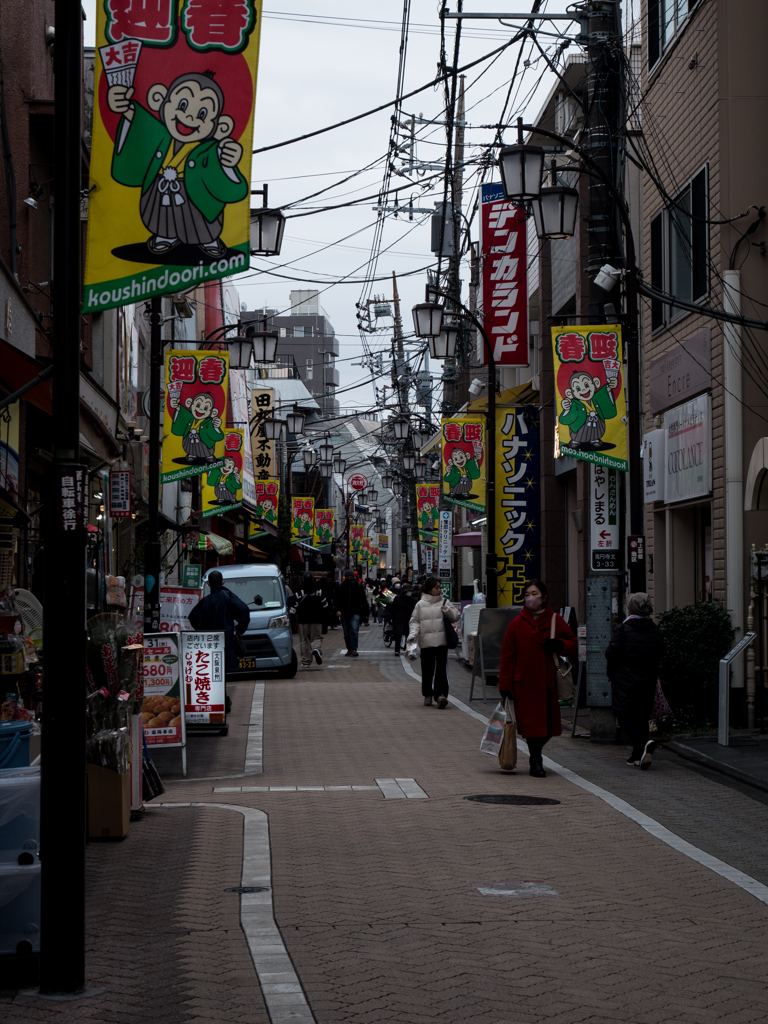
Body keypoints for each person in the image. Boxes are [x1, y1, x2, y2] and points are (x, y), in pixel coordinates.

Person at [498, 579, 577, 777]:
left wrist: (559, 645)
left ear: (544, 598)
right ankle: (536, 760)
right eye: (527, 594)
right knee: (531, 725)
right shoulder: (517, 623)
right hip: (524, 683)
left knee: (549, 725)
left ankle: (536, 754)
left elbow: (572, 643)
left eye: (534, 594)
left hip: (548, 682)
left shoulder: (555, 620)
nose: (530, 598)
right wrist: (505, 684)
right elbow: (508, 656)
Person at [605, 592, 665, 769]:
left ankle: (643, 742)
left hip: (625, 679)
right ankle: (638, 756)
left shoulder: (624, 628)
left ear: (631, 607)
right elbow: (660, 653)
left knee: (623, 715)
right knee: (641, 717)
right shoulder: (654, 629)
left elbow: (611, 653)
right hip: (648, 680)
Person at [189, 570, 251, 710]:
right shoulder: (228, 596)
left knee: (210, 672)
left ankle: (219, 700)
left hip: (208, 643)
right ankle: (222, 700)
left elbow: (193, 618)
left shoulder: (205, 602)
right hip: (226, 641)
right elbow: (243, 610)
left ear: (209, 583)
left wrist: (202, 632)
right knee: (221, 672)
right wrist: (239, 629)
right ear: (222, 582)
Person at [406, 576, 459, 708]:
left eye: (440, 587)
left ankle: (440, 695)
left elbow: (456, 616)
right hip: (426, 642)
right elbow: (415, 621)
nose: (439, 590)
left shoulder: (444, 602)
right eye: (436, 588)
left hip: (442, 642)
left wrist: (447, 610)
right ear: (429, 589)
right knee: (427, 670)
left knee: (441, 670)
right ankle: (428, 695)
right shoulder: (420, 604)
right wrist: (413, 636)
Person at [296, 576, 327, 669]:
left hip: (303, 620)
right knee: (316, 637)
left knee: (304, 640)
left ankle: (306, 661)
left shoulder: (299, 591)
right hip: (317, 619)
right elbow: (325, 605)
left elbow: (294, 604)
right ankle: (316, 649)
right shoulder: (319, 591)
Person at [335, 569, 368, 657]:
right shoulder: (341, 586)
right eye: (348, 577)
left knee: (353, 630)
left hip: (355, 612)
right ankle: (349, 648)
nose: (350, 579)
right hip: (344, 612)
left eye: (351, 577)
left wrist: (365, 611)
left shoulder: (358, 586)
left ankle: (354, 649)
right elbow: (337, 599)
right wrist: (338, 609)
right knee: (346, 632)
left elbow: (363, 599)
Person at [391, 584, 417, 657]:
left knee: (409, 636)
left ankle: (409, 650)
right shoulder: (398, 598)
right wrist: (392, 618)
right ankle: (397, 650)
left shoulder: (412, 600)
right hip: (398, 619)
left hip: (408, 620)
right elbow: (393, 609)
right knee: (398, 635)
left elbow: (414, 611)